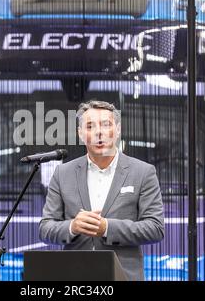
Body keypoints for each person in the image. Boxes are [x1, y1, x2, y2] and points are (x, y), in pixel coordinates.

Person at [39, 100, 165, 281]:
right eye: (90, 126)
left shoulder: (143, 172)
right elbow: (45, 228)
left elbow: (155, 228)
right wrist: (72, 227)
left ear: (118, 129)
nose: (99, 132)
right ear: (81, 134)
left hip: (122, 277)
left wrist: (107, 228)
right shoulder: (62, 173)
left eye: (106, 125)